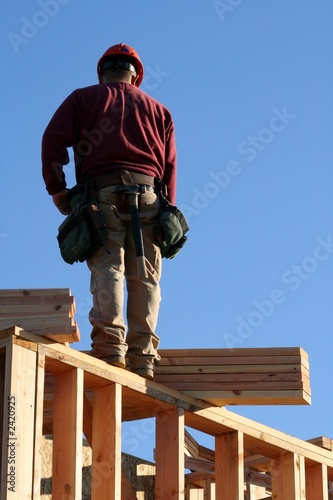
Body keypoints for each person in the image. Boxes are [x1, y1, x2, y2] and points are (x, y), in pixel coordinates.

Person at [42, 43, 177, 380]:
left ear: (102, 72)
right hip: (149, 196)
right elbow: (170, 168)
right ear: (136, 76)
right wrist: (167, 210)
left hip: (101, 197)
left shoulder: (83, 99)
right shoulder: (159, 111)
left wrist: (58, 189)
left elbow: (51, 140)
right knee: (145, 276)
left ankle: (110, 350)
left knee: (108, 268)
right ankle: (143, 357)